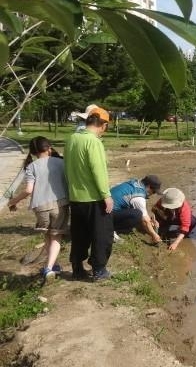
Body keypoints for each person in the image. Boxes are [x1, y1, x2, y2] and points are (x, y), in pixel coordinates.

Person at [7, 136, 69, 284]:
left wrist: (13, 201)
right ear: (49, 148)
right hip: (60, 204)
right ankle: (49, 268)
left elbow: (28, 190)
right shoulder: (61, 162)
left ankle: (53, 265)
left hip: (40, 207)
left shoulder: (31, 166)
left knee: (48, 235)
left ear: (33, 152)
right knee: (56, 237)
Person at [64, 106, 113, 281]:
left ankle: (77, 268)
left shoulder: (72, 139)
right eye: (106, 127)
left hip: (75, 197)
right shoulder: (93, 142)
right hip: (94, 197)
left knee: (79, 235)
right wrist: (106, 195)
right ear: (103, 124)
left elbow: (66, 167)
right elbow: (98, 171)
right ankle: (99, 270)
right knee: (102, 235)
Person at [110, 175, 163, 243]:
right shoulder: (139, 198)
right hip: (107, 214)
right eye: (154, 192)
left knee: (137, 212)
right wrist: (154, 234)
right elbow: (145, 220)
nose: (153, 194)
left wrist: (150, 219)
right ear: (149, 187)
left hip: (104, 207)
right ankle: (110, 231)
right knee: (137, 215)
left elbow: (142, 209)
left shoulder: (135, 183)